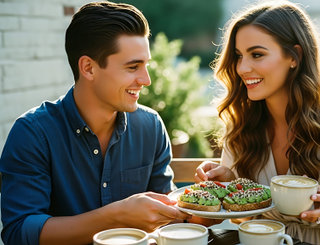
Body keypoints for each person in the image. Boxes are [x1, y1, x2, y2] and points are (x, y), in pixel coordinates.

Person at [195, 1, 320, 244]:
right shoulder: (242, 123)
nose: (242, 68)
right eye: (238, 56)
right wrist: (229, 181)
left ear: (294, 56)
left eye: (257, 54)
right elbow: (239, 217)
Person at [0, 2, 190, 244]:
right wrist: (117, 215)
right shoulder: (32, 133)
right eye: (133, 67)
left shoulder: (150, 126)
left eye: (146, 65)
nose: (146, 80)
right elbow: (19, 232)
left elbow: (169, 214)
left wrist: (206, 210)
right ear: (88, 68)